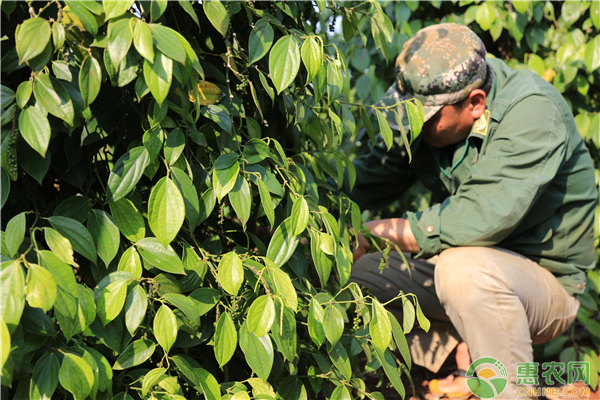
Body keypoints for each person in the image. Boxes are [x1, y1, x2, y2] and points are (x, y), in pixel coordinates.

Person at [344, 23, 597, 399]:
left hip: (547, 287)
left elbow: (479, 217)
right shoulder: (435, 106)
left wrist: (376, 231)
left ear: (475, 103)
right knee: (359, 272)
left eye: (425, 118)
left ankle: (510, 391)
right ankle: (463, 360)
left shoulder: (532, 112)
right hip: (474, 274)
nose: (413, 127)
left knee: (463, 269)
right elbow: (363, 179)